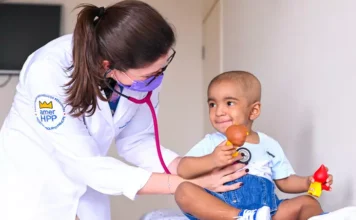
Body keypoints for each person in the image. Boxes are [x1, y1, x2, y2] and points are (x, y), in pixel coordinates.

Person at [0, 1, 248, 220]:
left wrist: (191, 165)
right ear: (109, 66)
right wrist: (187, 184)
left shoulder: (137, 75)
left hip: (86, 190)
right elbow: (88, 165)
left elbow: (136, 141)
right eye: (149, 74)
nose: (156, 80)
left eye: (162, 68)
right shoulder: (49, 70)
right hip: (34, 188)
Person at [174, 71, 356, 220]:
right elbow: (183, 169)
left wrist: (307, 182)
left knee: (307, 202)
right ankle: (240, 217)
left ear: (254, 110)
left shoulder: (269, 145)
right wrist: (212, 160)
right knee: (183, 191)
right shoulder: (212, 142)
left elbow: (284, 181)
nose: (219, 112)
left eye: (229, 103)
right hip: (223, 208)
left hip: (268, 212)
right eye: (212, 104)